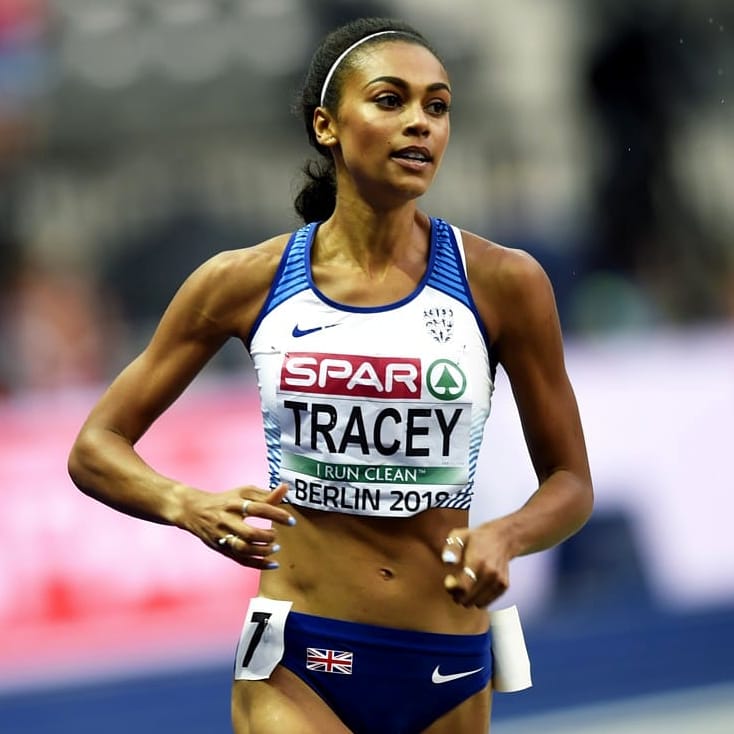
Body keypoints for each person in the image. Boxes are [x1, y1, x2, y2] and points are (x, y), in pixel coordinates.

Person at [68, 16, 593, 734]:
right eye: (390, 100)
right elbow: (95, 447)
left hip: (445, 662)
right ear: (327, 126)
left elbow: (571, 483)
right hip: (295, 657)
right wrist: (185, 504)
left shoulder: (503, 282)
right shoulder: (243, 282)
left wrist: (506, 535)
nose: (420, 123)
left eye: (437, 106)